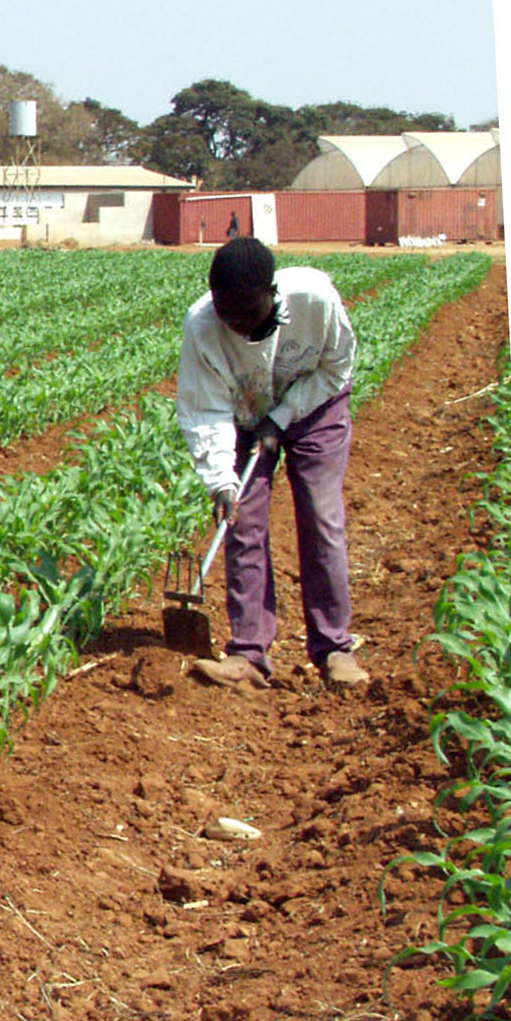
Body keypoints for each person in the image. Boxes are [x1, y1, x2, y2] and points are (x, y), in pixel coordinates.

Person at [177, 237, 368, 689]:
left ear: (272, 294)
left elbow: (335, 369)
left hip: (315, 404)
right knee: (241, 521)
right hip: (242, 413)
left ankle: (334, 649)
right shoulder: (202, 327)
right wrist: (222, 480)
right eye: (229, 316)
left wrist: (280, 419)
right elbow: (206, 410)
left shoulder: (315, 300)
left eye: (249, 313)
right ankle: (247, 654)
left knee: (321, 516)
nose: (239, 326)